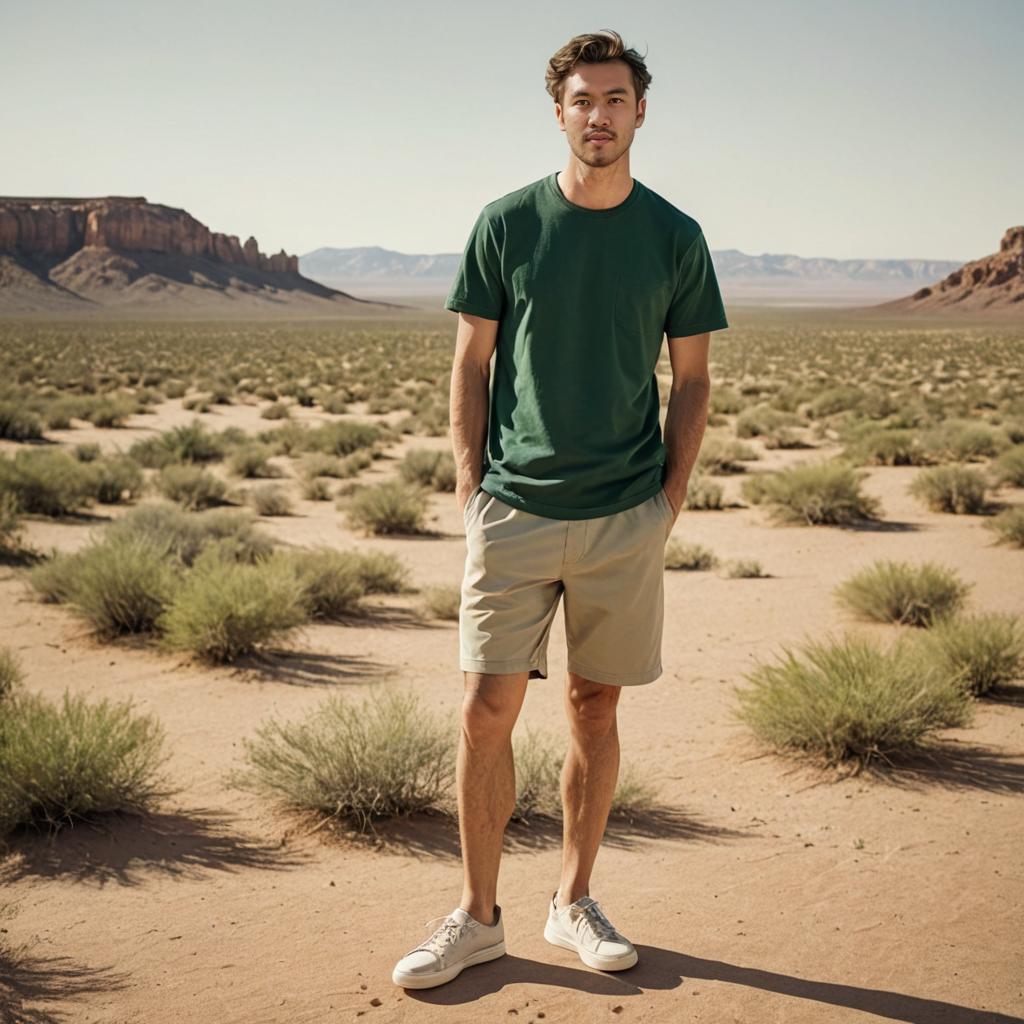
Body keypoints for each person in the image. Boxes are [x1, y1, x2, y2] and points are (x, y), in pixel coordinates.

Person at [391, 28, 729, 990]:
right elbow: (470, 359)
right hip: (515, 508)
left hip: (626, 512)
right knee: (487, 706)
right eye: (583, 100)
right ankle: (476, 916)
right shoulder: (508, 223)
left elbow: (694, 377)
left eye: (615, 99)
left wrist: (669, 495)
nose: (599, 116)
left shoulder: (676, 236)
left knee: (594, 708)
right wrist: (469, 480)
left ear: (640, 111)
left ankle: (572, 900)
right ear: (560, 112)